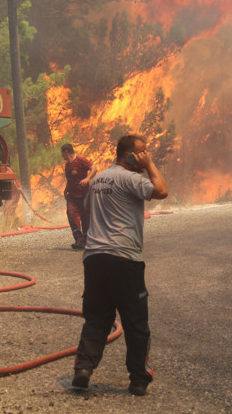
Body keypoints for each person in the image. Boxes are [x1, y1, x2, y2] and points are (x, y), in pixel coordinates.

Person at [72, 134, 168, 397]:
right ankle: (138, 379)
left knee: (97, 318)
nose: (145, 155)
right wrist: (150, 165)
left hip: (94, 259)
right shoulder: (131, 178)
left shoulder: (99, 179)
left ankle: (83, 368)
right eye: (141, 152)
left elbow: (88, 209)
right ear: (128, 156)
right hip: (124, 259)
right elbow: (161, 191)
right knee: (136, 322)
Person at [61, 143, 97, 249]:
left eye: (62, 153)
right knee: (71, 215)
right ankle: (79, 239)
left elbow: (94, 168)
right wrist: (66, 190)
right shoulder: (67, 166)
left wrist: (87, 179)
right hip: (72, 196)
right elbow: (70, 180)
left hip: (84, 195)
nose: (62, 156)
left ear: (66, 152)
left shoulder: (80, 160)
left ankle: (86, 240)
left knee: (86, 218)